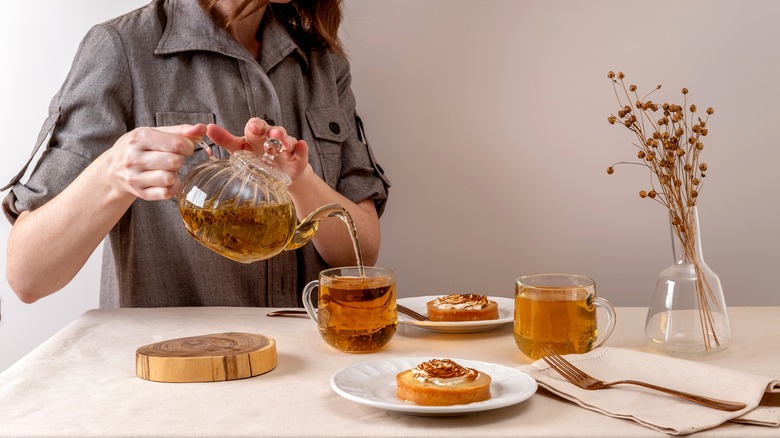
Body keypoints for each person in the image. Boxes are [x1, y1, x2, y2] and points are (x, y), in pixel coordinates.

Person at [2, 0, 390, 308]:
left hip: (308, 368)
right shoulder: (121, 48)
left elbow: (360, 255)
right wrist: (113, 173)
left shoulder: (324, 64)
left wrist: (299, 180)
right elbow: (28, 277)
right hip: (178, 378)